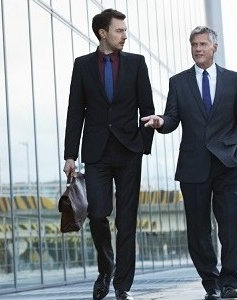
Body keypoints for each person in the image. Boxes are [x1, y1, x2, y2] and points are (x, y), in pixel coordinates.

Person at [141, 26, 237, 300]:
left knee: (230, 226)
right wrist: (160, 122)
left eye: (203, 44)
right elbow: (172, 118)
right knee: (198, 230)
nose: (198, 49)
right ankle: (210, 282)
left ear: (215, 47)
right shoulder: (178, 82)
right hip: (193, 164)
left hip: (226, 163)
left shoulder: (234, 80)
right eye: (194, 44)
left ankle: (229, 282)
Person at [63, 8, 155, 300]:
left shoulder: (137, 64)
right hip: (97, 151)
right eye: (119, 31)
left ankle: (122, 285)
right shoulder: (82, 66)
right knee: (98, 213)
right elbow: (75, 111)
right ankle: (106, 269)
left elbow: (148, 108)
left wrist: (144, 144)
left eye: (125, 31)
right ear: (103, 32)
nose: (124, 36)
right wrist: (70, 154)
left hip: (129, 151)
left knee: (126, 221)